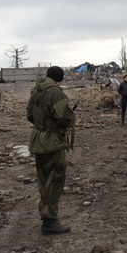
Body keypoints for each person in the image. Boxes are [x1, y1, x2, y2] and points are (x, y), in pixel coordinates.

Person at [26, 66, 75, 235]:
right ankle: (50, 220)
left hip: (38, 141)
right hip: (52, 142)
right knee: (55, 179)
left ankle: (46, 216)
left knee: (43, 180)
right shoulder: (55, 93)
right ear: (59, 78)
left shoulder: (36, 91)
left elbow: (29, 115)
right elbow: (65, 118)